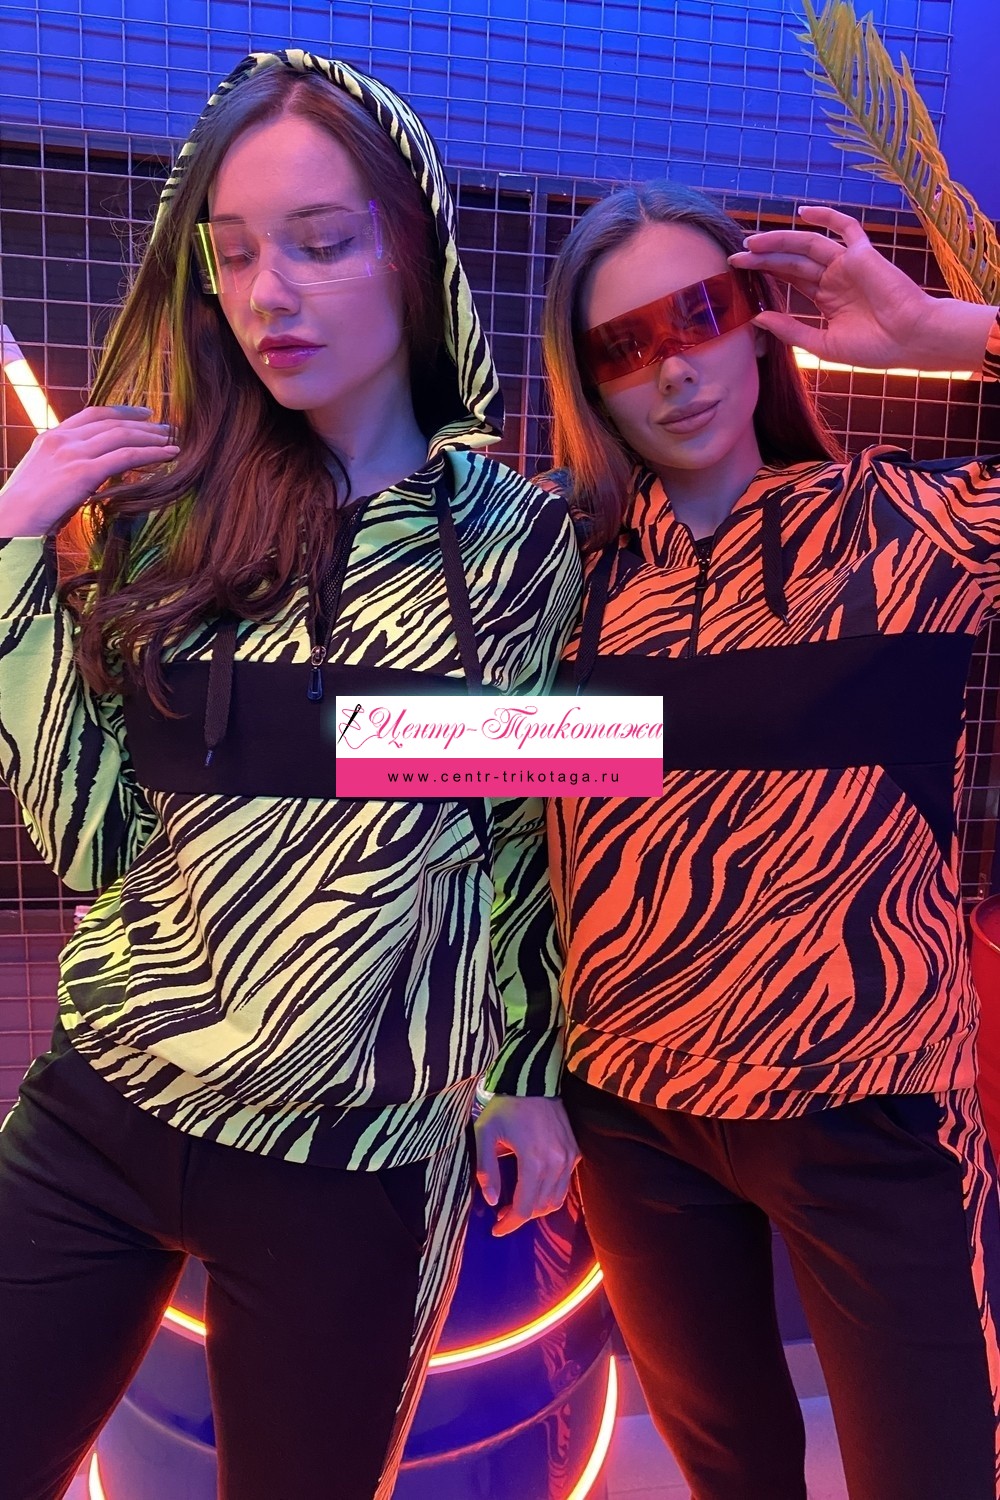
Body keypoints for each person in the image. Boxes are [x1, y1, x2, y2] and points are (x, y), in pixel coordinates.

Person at [0, 49, 582, 1500]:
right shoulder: (168, 515)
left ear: (413, 251)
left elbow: (522, 832)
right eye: (238, 252)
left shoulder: (517, 544)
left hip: (357, 1162)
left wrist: (525, 1074)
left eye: (321, 243)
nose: (271, 294)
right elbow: (94, 842)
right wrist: (13, 553)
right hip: (107, 1102)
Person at [540, 181, 1000, 1500]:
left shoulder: (901, 531)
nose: (672, 369)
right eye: (621, 345)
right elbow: (471, 809)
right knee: (732, 1476)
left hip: (875, 1109)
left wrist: (938, 332)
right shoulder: (564, 581)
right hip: (634, 1117)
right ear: (585, 382)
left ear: (757, 319)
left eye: (700, 314)